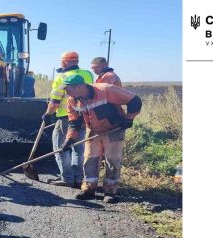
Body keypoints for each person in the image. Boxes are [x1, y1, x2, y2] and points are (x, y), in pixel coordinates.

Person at [59, 75, 142, 202]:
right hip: (93, 130)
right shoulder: (72, 101)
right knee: (89, 159)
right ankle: (89, 189)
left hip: (114, 129)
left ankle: (110, 191)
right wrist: (69, 139)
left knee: (112, 160)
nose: (67, 92)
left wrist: (129, 119)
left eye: (68, 89)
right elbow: (74, 122)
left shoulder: (106, 90)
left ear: (79, 87)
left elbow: (135, 100)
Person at [41, 51, 94, 187]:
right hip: (86, 116)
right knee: (78, 148)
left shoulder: (62, 77)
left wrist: (47, 114)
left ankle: (67, 178)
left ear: (64, 62)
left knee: (60, 148)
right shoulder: (88, 74)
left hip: (66, 118)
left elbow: (55, 102)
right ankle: (78, 178)